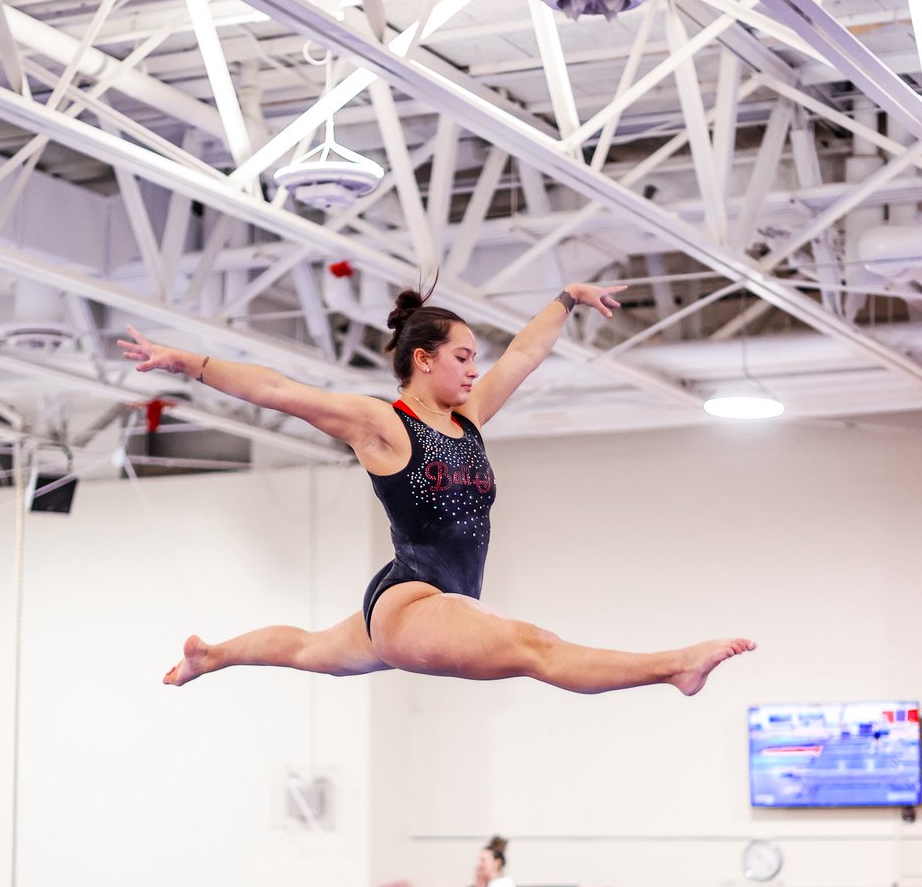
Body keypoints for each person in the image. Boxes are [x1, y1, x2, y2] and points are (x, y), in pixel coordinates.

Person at [119, 281, 755, 693]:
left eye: (475, 359)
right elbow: (281, 391)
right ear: (423, 360)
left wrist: (563, 298)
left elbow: (523, 358)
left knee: (312, 650)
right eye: (462, 358)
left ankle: (212, 656)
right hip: (413, 601)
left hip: (421, 601)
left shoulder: (468, 420)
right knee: (535, 648)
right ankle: (673, 666)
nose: (475, 371)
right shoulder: (384, 426)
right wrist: (187, 364)